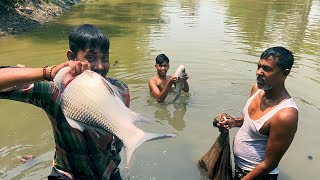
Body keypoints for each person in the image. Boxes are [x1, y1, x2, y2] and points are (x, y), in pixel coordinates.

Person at [0, 24, 130, 180]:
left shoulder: (119, 89)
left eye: (105, 58)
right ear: (71, 57)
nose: (100, 66)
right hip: (68, 175)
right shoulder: (54, 91)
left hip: (109, 173)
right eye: (90, 58)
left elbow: (121, 138)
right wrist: (49, 72)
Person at [216, 46, 298, 180]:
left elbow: (270, 164)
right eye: (259, 66)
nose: (259, 72)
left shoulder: (285, 115)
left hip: (259, 176)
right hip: (239, 167)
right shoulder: (257, 90)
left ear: (285, 73)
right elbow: (252, 122)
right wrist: (233, 122)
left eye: (267, 69)